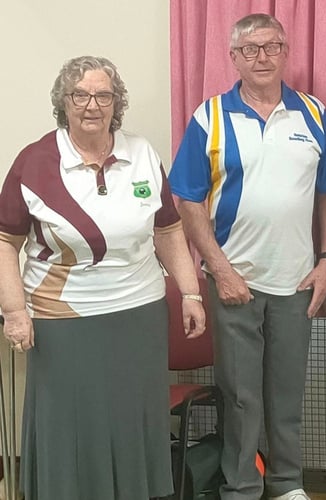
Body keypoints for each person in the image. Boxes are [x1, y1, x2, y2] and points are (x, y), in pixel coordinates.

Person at [0, 55, 205, 500]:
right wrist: (14, 311)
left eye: (104, 95)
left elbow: (168, 229)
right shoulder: (33, 163)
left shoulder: (142, 153)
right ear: (63, 102)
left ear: (117, 103)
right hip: (63, 323)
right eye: (80, 95)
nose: (92, 105)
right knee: (70, 429)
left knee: (133, 423)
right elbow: (4, 243)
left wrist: (190, 291)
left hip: (138, 315)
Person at [167, 13, 326, 500]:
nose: (261, 57)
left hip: (296, 283)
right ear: (234, 58)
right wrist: (220, 270)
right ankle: (242, 488)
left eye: (271, 47)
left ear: (286, 52)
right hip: (235, 282)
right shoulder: (211, 116)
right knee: (241, 398)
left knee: (286, 395)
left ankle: (288, 486)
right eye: (250, 49)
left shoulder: (313, 113)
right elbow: (187, 200)